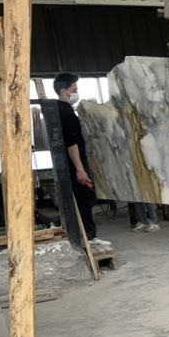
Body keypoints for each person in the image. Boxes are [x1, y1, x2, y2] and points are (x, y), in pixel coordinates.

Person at [53, 73, 111, 247]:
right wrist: (80, 169)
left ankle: (84, 236)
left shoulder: (61, 109)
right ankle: (90, 237)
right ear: (64, 91)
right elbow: (71, 143)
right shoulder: (65, 112)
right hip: (74, 163)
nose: (76, 92)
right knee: (85, 198)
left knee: (83, 198)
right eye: (74, 89)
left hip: (72, 162)